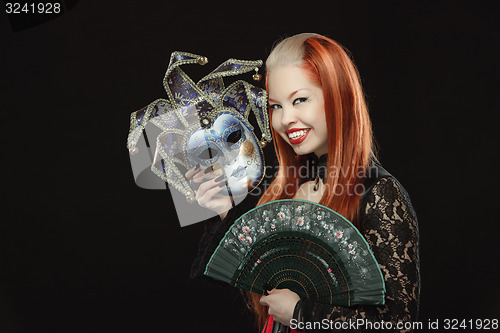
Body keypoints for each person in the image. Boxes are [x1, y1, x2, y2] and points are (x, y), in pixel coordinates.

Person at [188, 33, 420, 332]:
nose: (285, 120)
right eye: (275, 106)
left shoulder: (380, 194)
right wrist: (223, 211)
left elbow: (398, 324)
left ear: (339, 97)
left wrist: (301, 312)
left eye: (300, 100)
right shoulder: (283, 188)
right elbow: (253, 288)